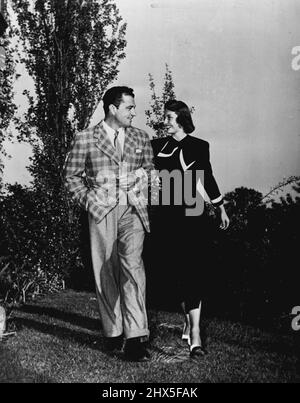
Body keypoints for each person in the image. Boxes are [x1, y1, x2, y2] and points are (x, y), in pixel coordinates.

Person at [64, 86, 154, 362]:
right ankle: (113, 332)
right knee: (105, 269)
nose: (134, 112)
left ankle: (136, 337)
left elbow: (150, 171)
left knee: (133, 268)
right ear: (113, 109)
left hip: (133, 210)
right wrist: (91, 202)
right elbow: (71, 178)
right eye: (129, 107)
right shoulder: (86, 138)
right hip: (101, 211)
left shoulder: (141, 136)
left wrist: (141, 176)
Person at [151, 100, 230, 358]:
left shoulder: (199, 146)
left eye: (170, 117)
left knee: (192, 271)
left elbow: (207, 176)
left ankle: (195, 335)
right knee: (174, 275)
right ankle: (187, 320)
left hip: (192, 215)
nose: (166, 121)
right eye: (165, 117)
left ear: (182, 119)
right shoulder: (156, 146)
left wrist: (220, 207)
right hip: (165, 215)